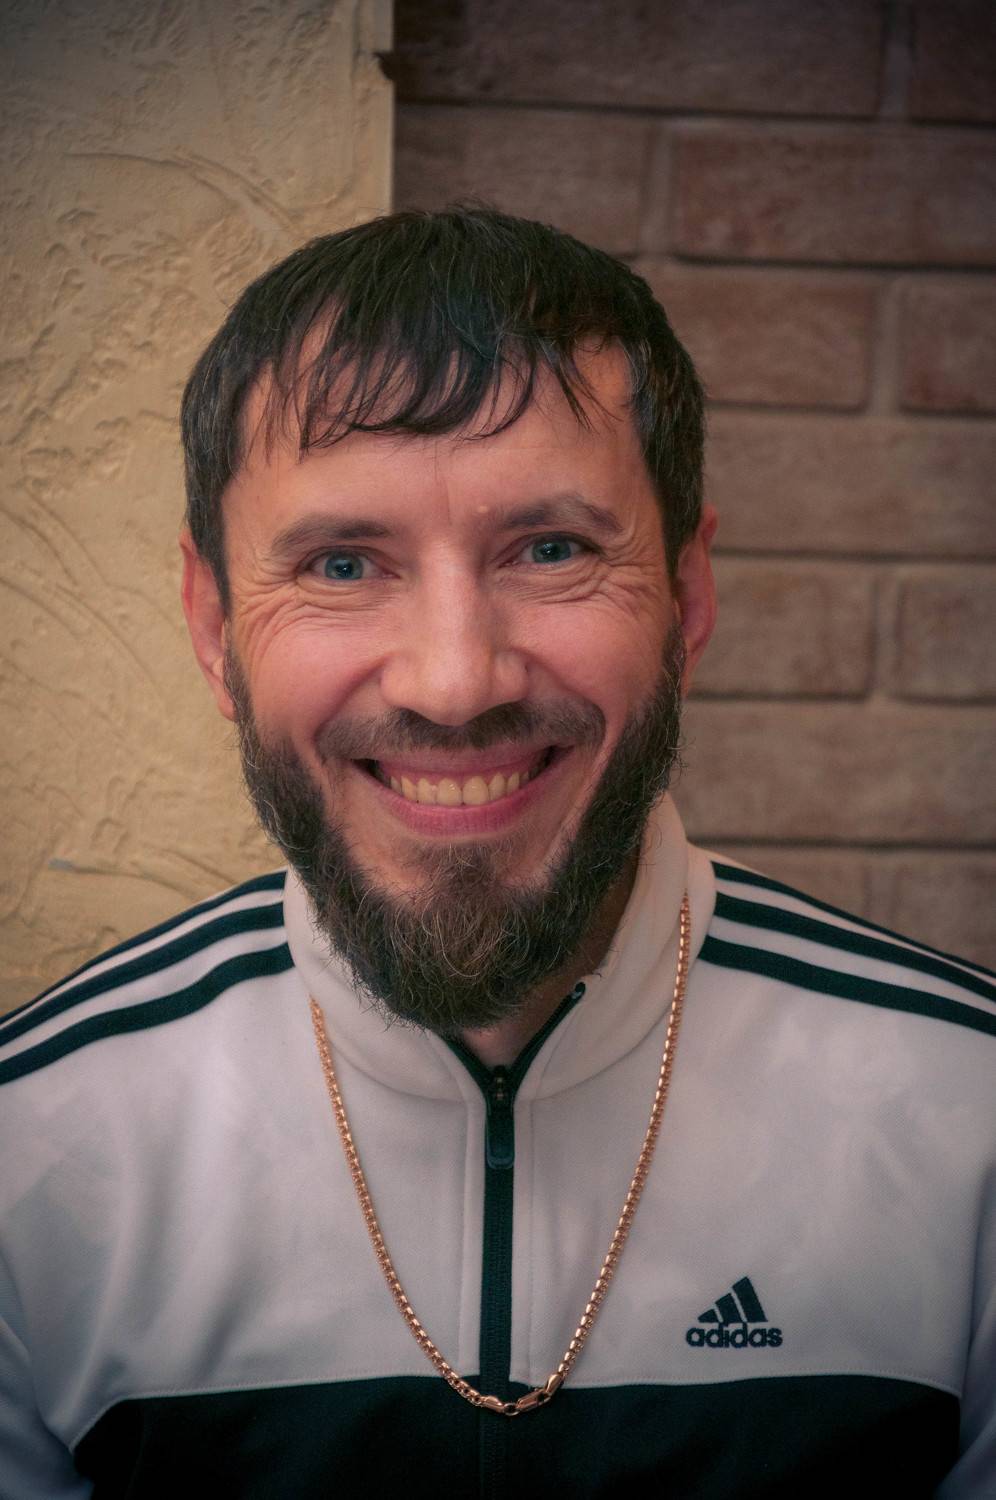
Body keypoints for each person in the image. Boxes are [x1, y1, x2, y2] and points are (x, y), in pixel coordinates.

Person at [1, 208, 993, 1500]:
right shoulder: (31, 1155)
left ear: (688, 597)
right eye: (342, 563)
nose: (456, 681)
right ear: (212, 624)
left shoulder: (971, 1130)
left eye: (553, 551)